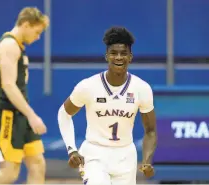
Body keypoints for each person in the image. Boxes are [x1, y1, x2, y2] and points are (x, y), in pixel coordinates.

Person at [58, 26, 157, 185]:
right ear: (106, 56)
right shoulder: (88, 86)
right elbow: (64, 113)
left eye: (123, 53)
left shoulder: (142, 88)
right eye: (113, 53)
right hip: (95, 153)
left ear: (130, 57)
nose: (118, 57)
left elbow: (150, 131)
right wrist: (72, 149)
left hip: (126, 156)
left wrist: (147, 160)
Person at [0, 7, 49, 184]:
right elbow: (8, 86)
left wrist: (27, 116)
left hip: (20, 114)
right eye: (37, 31)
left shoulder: (17, 45)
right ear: (26, 25)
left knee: (37, 164)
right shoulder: (8, 45)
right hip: (8, 115)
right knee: (9, 174)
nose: (38, 37)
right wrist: (32, 116)